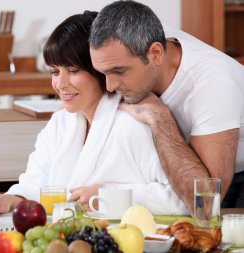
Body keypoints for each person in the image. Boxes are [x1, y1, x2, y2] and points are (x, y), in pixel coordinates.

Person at [0, 11, 188, 215]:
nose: (60, 84)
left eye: (73, 71)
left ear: (100, 70)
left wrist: (108, 196)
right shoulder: (60, 123)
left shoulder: (134, 124)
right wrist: (15, 198)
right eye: (55, 72)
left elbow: (180, 199)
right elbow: (35, 184)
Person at [89, 0, 244, 209]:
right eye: (103, 73)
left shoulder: (213, 85)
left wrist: (159, 117)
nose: (109, 87)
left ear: (156, 54)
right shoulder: (137, 40)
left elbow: (206, 203)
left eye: (119, 71)